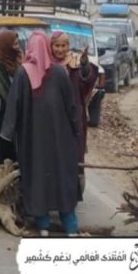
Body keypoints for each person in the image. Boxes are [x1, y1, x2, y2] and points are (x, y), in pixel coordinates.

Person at [0, 31, 80, 236]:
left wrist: (6, 134)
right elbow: (71, 105)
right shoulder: (59, 72)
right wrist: (76, 129)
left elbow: (13, 105)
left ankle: (43, 225)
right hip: (60, 138)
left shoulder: (22, 73)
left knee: (37, 178)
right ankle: (71, 227)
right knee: (62, 177)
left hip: (33, 140)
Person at [50, 31, 98, 194]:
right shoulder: (46, 64)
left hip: (73, 118)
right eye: (57, 45)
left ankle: (72, 192)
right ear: (51, 46)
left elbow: (85, 84)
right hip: (52, 119)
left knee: (73, 153)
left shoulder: (74, 63)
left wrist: (85, 65)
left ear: (68, 46)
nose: (60, 49)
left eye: (64, 45)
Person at [0, 30, 21, 165]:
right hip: (1, 116)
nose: (18, 48)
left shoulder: (18, 63)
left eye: (18, 44)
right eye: (15, 44)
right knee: (2, 156)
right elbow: (7, 93)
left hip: (16, 117)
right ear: (6, 46)